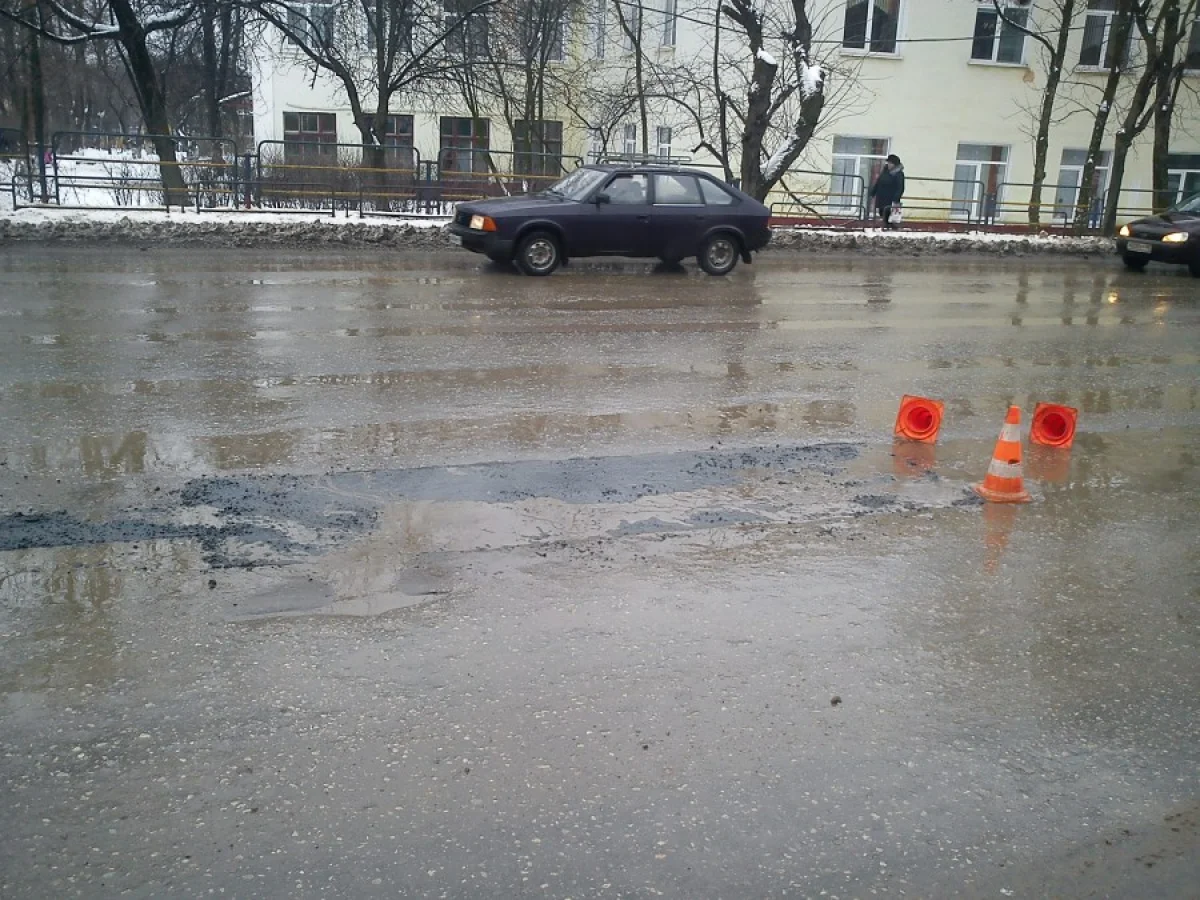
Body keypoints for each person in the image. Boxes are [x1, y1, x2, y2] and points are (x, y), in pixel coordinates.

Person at [869, 154, 905, 229]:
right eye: (888, 163)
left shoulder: (899, 174)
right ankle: (888, 225)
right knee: (881, 212)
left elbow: (900, 187)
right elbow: (878, 182)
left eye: (890, 163)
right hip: (881, 196)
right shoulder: (885, 171)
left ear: (895, 164)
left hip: (890, 197)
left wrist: (896, 198)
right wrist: (873, 192)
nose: (888, 164)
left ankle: (889, 226)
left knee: (888, 213)